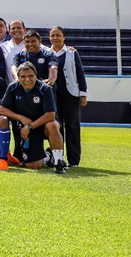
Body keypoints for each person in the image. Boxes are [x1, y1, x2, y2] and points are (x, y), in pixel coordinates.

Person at [0, 61, 68, 173]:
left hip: (42, 125)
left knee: (53, 125)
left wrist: (30, 126)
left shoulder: (45, 88)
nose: (27, 79)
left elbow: (50, 115)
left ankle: (58, 161)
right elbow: (2, 109)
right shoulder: (13, 87)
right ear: (18, 77)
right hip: (25, 127)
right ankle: (48, 156)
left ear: (36, 76)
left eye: (31, 76)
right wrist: (21, 118)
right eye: (23, 76)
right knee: (33, 165)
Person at [49, 26, 88, 168]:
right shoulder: (47, 53)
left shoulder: (72, 53)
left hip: (70, 94)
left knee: (72, 127)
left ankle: (74, 161)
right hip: (52, 96)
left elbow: (80, 73)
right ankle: (58, 158)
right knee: (57, 128)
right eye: (52, 35)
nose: (55, 38)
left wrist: (83, 93)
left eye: (58, 35)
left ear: (64, 37)